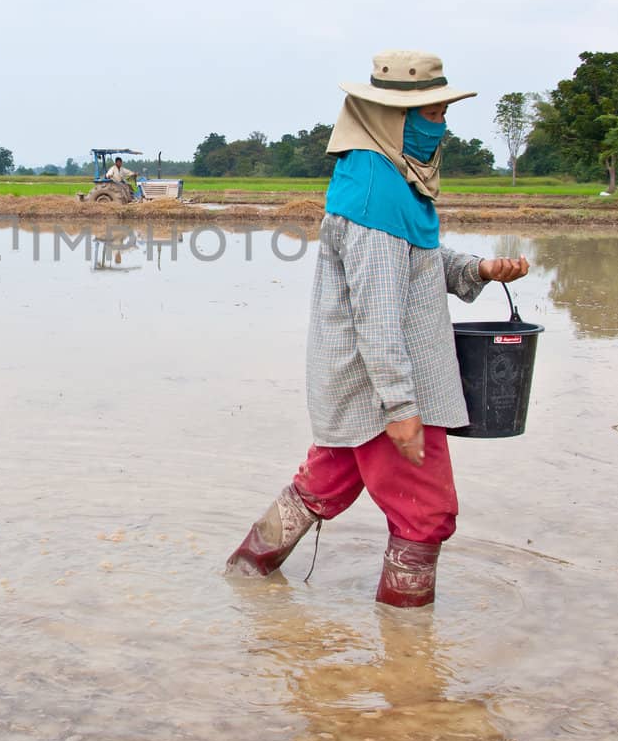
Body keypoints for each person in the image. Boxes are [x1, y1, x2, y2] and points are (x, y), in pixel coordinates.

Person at [224, 50, 530, 607]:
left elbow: (410, 265)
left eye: (441, 113)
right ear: (396, 119)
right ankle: (409, 653)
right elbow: (378, 312)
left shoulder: (384, 178)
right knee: (426, 514)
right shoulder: (376, 193)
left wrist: (476, 270)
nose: (442, 127)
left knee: (324, 484)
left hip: (362, 380)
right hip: (383, 384)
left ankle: (245, 575)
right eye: (433, 115)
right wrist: (402, 409)